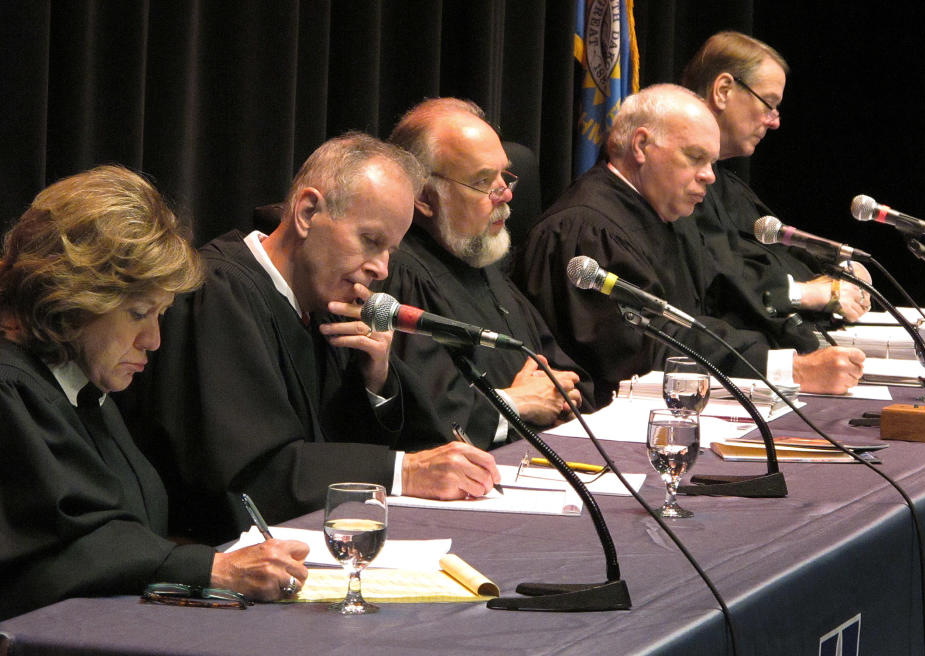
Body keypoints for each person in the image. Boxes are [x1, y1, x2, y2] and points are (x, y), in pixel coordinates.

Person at [122, 133, 500, 546]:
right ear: (307, 212)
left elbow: (372, 443)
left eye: (391, 249)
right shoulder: (218, 292)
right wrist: (402, 472)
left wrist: (376, 378)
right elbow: (250, 475)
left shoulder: (325, 306)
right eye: (371, 241)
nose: (381, 269)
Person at [0, 165, 309, 621]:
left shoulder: (81, 387)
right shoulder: (13, 392)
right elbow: (58, 556)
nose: (154, 340)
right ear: (74, 298)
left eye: (160, 314)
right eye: (139, 312)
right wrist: (211, 568)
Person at [516, 84, 864, 402]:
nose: (710, 176)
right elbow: (645, 351)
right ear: (641, 146)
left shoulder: (664, 218)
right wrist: (788, 370)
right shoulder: (586, 231)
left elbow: (708, 314)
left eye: (711, 162)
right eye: (695, 157)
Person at [383, 98, 595, 448]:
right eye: (484, 181)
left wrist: (557, 394)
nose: (507, 193)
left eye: (504, 175)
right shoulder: (402, 276)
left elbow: (569, 378)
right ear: (423, 196)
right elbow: (432, 421)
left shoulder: (481, 259)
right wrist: (519, 403)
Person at [682, 31, 871, 324]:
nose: (775, 121)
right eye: (768, 104)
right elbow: (719, 285)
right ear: (723, 90)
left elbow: (777, 256)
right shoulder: (677, 189)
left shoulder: (729, 187)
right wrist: (808, 293)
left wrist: (844, 271)